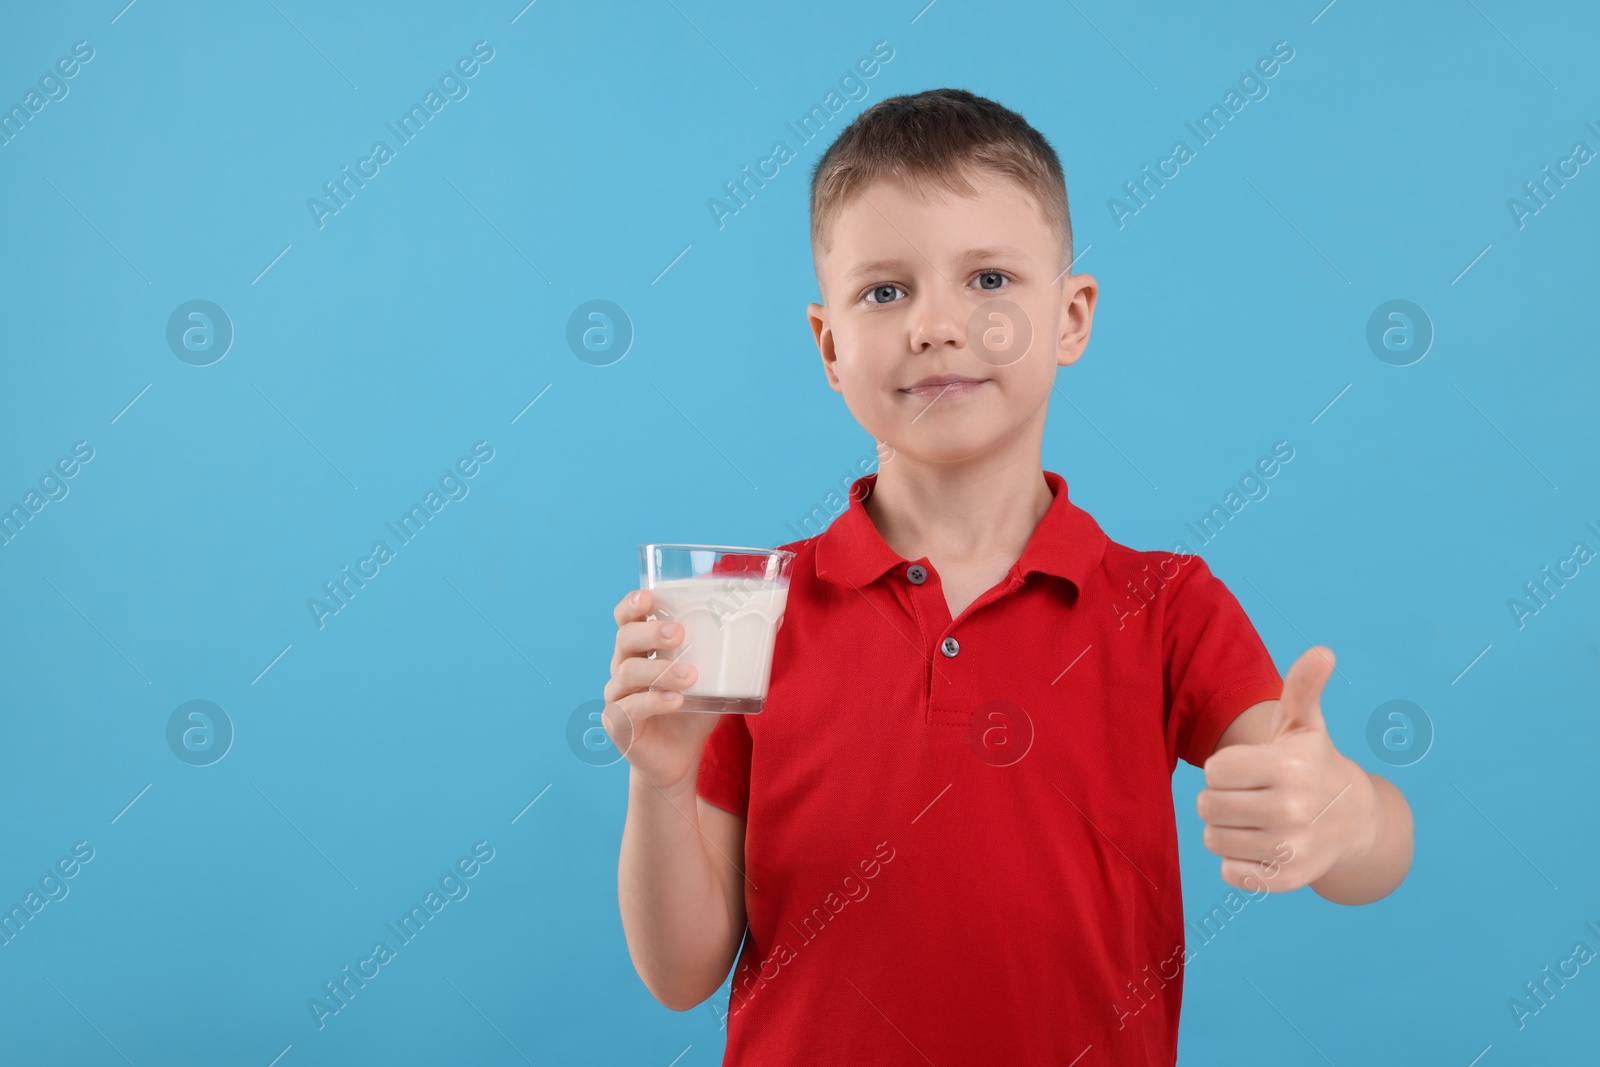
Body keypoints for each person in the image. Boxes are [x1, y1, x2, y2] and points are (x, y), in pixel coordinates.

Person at [603, 87, 1414, 1066]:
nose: (937, 325)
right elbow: (680, 971)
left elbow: (1370, 855)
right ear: (827, 344)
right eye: (885, 291)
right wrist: (660, 779)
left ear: (1070, 316)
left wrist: (1342, 808)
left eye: (987, 278)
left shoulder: (1165, 606)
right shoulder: (748, 611)